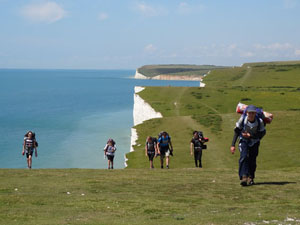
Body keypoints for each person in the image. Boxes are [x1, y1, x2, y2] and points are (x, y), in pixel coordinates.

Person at [230, 105, 266, 186]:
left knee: (252, 160)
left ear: (255, 113)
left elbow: (262, 133)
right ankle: (243, 177)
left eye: (253, 113)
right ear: (247, 113)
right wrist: (233, 145)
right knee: (244, 156)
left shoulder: (259, 121)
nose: (251, 115)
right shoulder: (243, 119)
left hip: (255, 142)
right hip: (243, 141)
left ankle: (251, 177)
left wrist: (251, 136)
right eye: (250, 113)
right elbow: (236, 130)